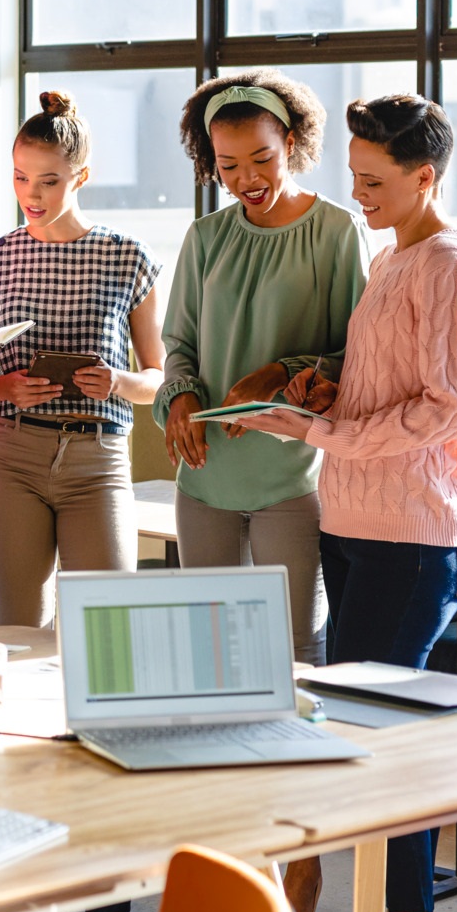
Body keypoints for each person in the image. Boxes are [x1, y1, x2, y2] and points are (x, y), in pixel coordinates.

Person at [240, 93, 457, 912]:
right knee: (356, 734)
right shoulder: (391, 258)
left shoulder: (448, 265)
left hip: (414, 537)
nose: (359, 195)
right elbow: (389, 386)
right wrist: (328, 396)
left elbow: (447, 407)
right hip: (355, 524)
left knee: (381, 745)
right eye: (352, 176)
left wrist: (328, 434)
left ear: (426, 177)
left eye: (376, 180)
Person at [156, 70, 371, 666]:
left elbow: (358, 352)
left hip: (295, 475)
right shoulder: (205, 237)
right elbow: (179, 342)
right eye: (228, 165)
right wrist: (179, 397)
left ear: (293, 145)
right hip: (205, 478)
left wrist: (279, 371)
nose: (246, 179)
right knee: (211, 650)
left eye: (261, 158)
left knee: (296, 650)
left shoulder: (337, 231)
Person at [0, 91, 166, 629]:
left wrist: (116, 381)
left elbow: (158, 379)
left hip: (98, 461)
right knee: (19, 630)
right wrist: (6, 390)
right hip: (11, 460)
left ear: (82, 176)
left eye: (48, 180)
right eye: (21, 177)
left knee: (105, 628)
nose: (32, 193)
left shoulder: (127, 257)